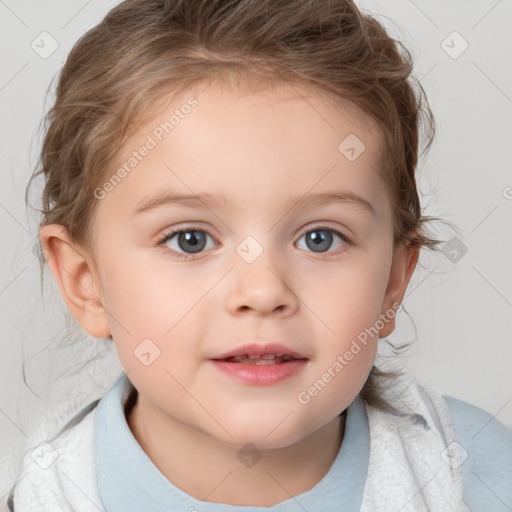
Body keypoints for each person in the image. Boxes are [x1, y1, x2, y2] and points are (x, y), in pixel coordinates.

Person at [8, 0, 512, 510]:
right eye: (190, 239)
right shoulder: (40, 496)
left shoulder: (481, 476)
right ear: (84, 281)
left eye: (321, 238)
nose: (263, 291)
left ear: (391, 282)